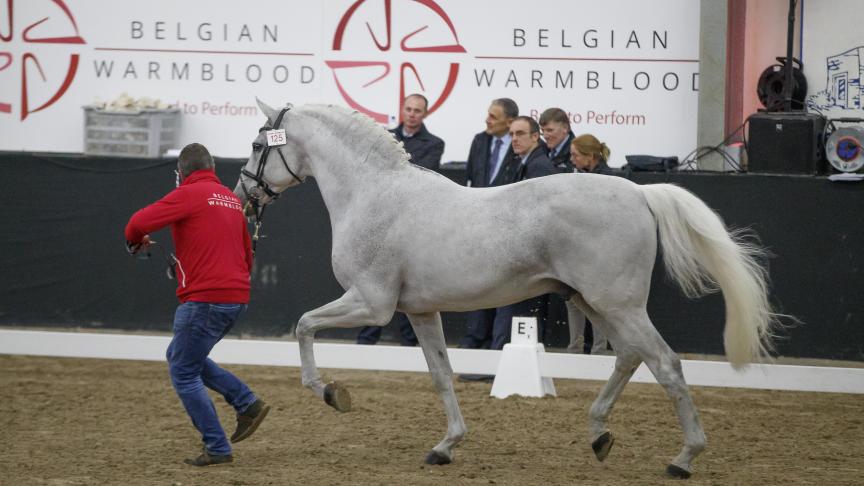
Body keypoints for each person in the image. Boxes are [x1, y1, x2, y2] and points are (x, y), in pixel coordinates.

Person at [124, 143, 270, 466]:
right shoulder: (232, 200)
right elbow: (247, 258)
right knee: (181, 356)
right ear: (211, 168)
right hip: (236, 299)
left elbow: (135, 224)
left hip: (205, 300)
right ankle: (247, 403)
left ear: (182, 172)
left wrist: (137, 241)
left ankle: (217, 446)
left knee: (183, 370)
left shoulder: (187, 195)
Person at [356, 94, 444, 346]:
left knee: (409, 286)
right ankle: (365, 341)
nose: (413, 113)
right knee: (372, 283)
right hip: (380, 224)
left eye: (418, 110)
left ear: (424, 114)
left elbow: (417, 175)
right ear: (402, 110)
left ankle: (410, 344)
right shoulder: (384, 138)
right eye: (409, 109)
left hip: (415, 225)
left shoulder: (435, 143)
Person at [458, 99, 519, 367]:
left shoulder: (520, 148)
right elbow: (470, 180)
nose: (487, 120)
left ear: (509, 121)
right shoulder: (479, 141)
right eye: (488, 115)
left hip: (507, 229)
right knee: (474, 284)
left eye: (493, 117)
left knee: (502, 287)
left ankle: (497, 349)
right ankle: (473, 342)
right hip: (476, 227)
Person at [566, 133, 617, 355]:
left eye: (575, 155)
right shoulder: (581, 176)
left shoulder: (609, 180)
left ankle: (598, 348)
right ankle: (576, 346)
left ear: (590, 156)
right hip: (581, 248)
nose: (572, 160)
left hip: (600, 249)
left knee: (596, 301)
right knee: (573, 299)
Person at [538, 107, 576, 173]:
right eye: (542, 131)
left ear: (565, 128)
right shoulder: (540, 150)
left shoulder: (578, 153)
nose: (545, 136)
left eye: (550, 130)